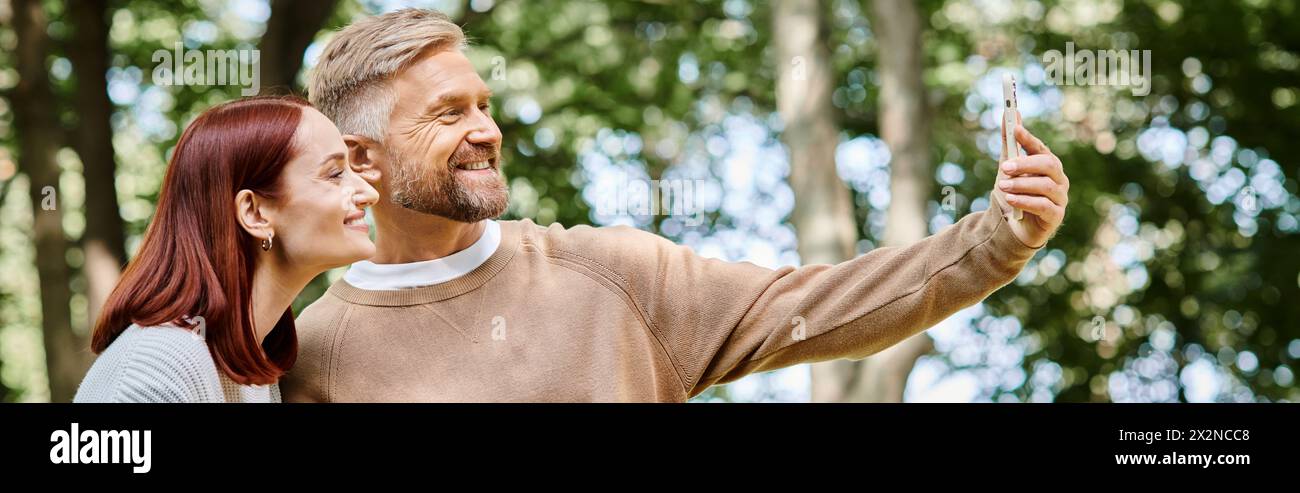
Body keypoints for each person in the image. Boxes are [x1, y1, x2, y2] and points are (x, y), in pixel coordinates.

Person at [282, 9, 1069, 402]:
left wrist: (1001, 237)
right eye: (448, 113)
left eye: (484, 104)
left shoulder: (610, 275)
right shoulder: (303, 355)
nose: (486, 130)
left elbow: (821, 304)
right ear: (361, 160)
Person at [75, 96, 379, 402]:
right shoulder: (159, 365)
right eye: (335, 174)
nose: (368, 193)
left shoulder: (254, 370)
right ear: (255, 213)